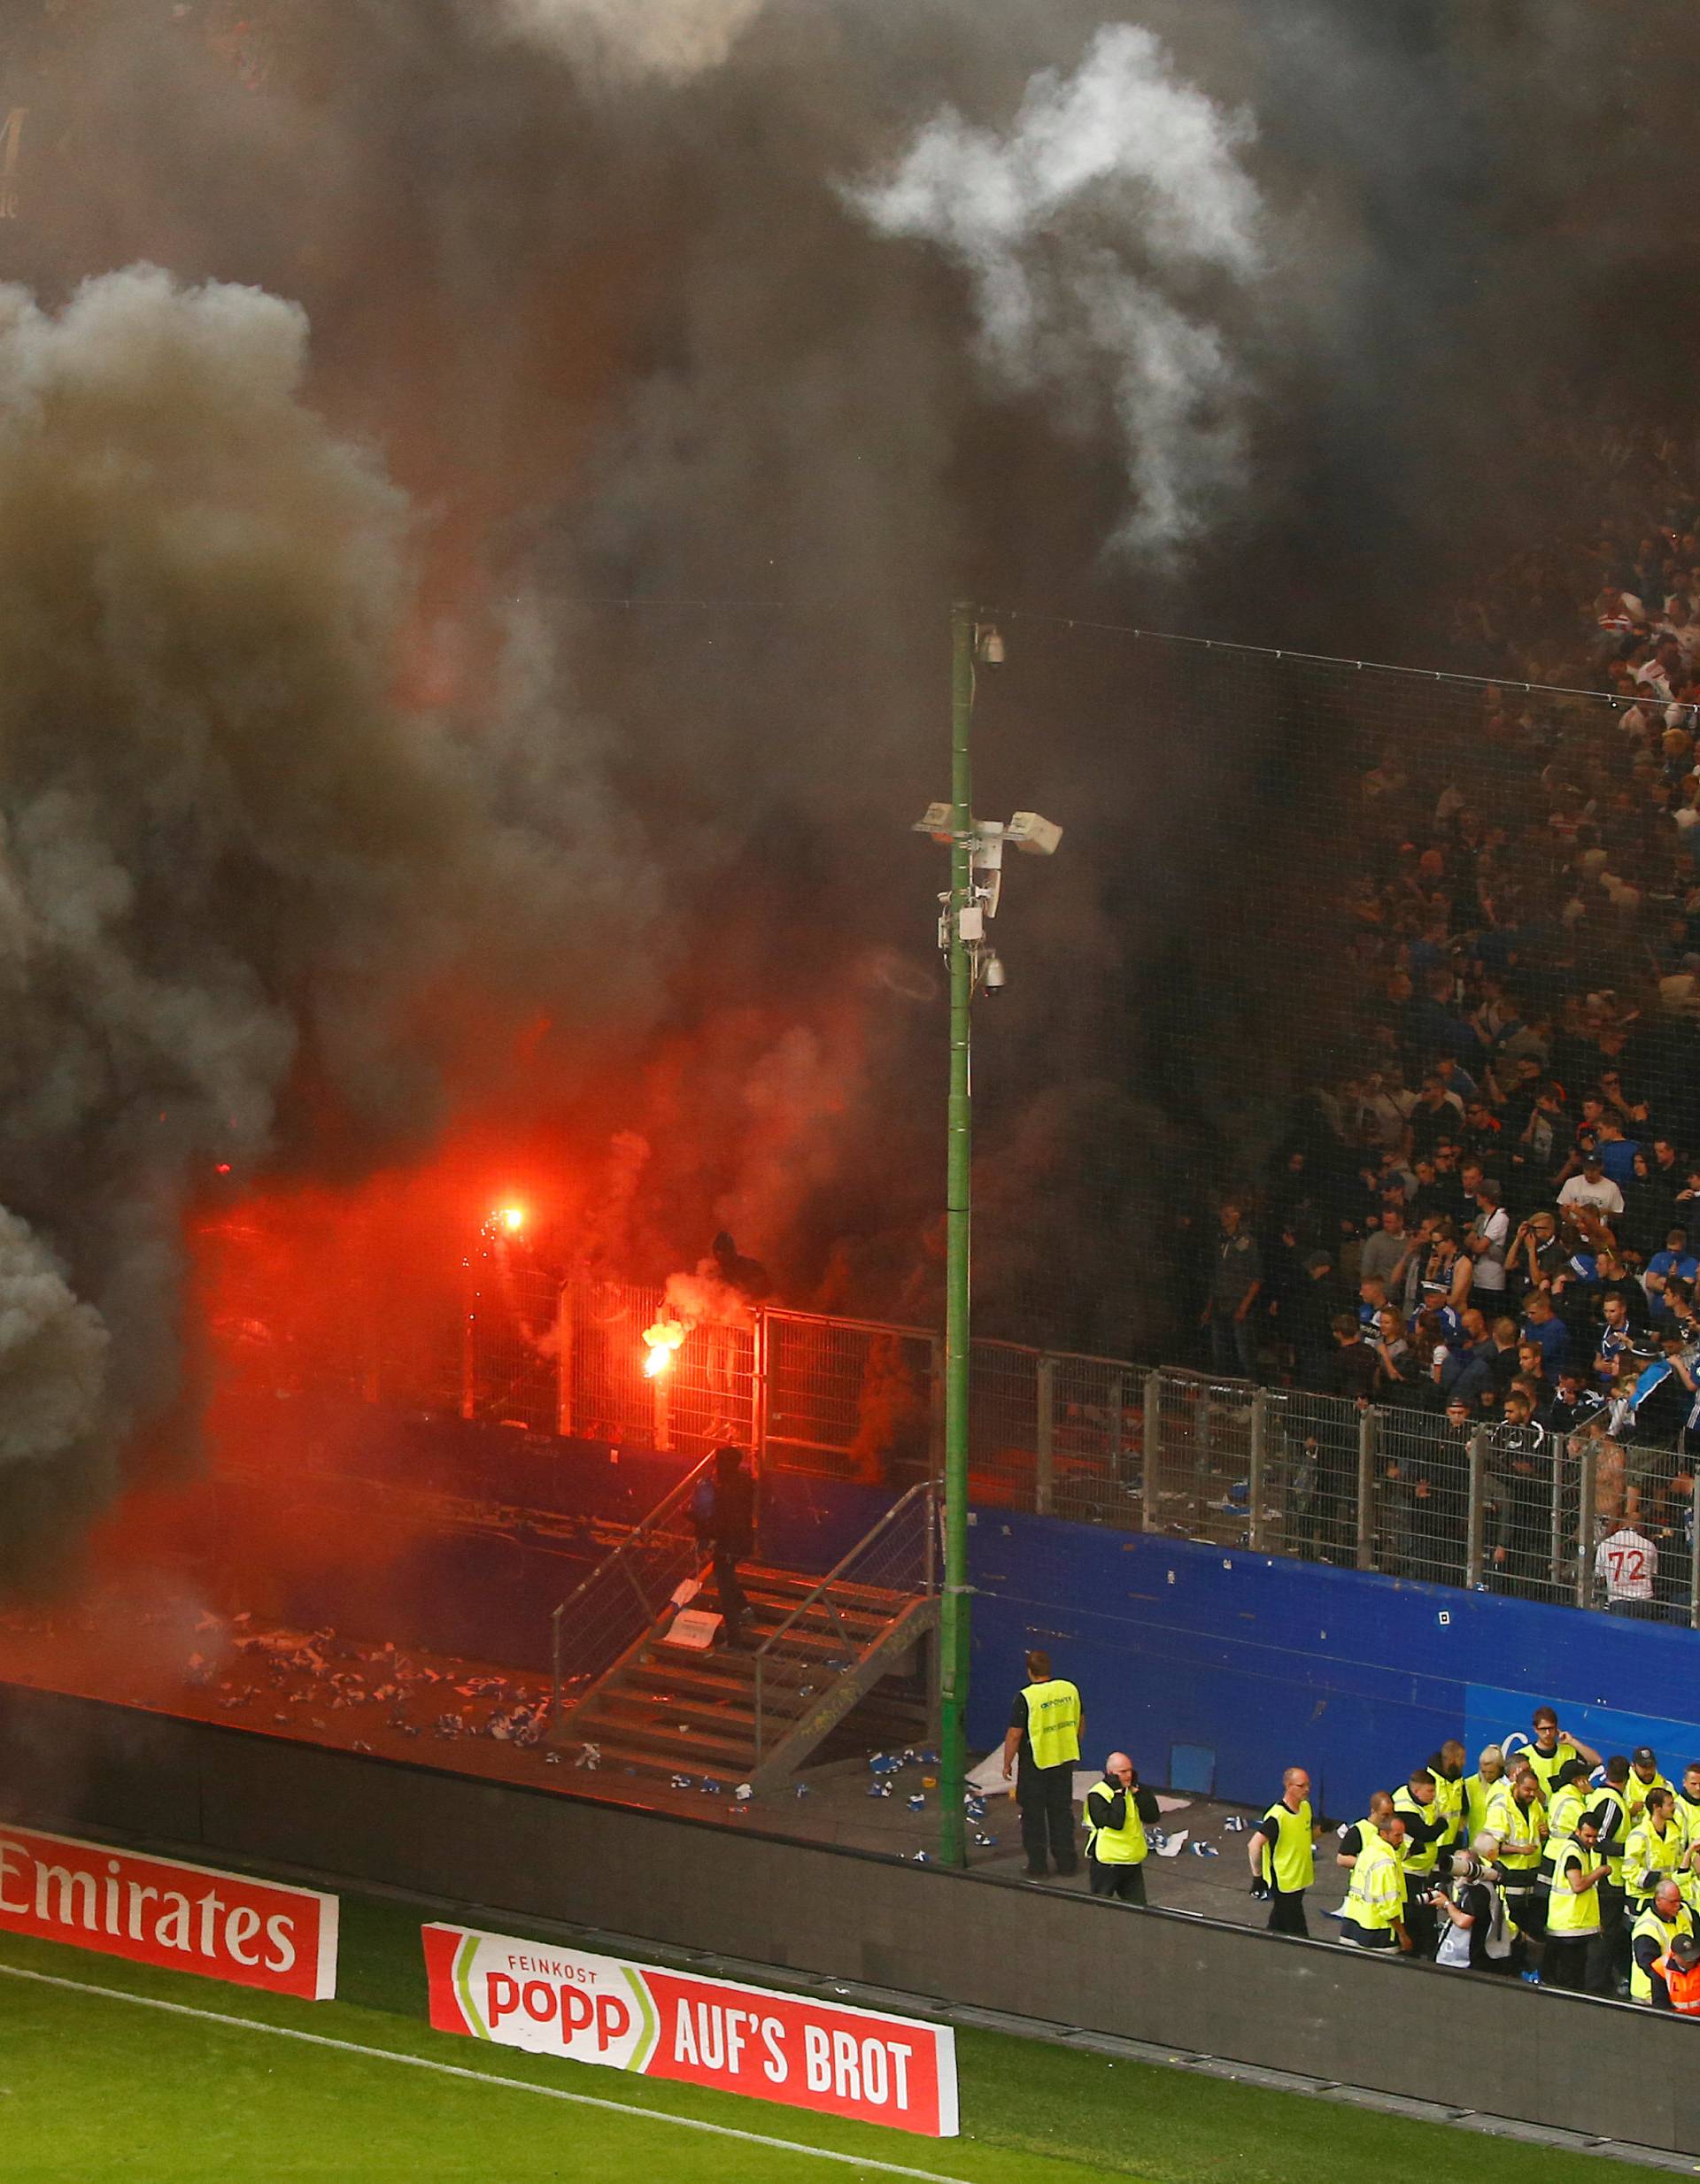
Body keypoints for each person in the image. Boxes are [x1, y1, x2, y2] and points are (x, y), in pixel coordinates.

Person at [1001, 1649, 1083, 1879]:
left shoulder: (1026, 1697)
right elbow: (1080, 1721)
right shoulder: (1069, 1689)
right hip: (1063, 1760)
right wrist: (1072, 1744)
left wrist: (1007, 1763)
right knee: (1062, 1813)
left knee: (1034, 1817)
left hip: (1035, 1765)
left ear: (1029, 1671)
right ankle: (1067, 1864)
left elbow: (1015, 1735)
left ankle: (1038, 1867)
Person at [1248, 1766, 1325, 1937]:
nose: (1307, 1789)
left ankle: (1266, 1945)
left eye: (1308, 1785)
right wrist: (1257, 1876)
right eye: (1301, 1785)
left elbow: (1304, 1838)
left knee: (1279, 1922)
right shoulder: (1277, 1817)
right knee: (1297, 1928)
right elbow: (1254, 1845)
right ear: (1288, 1786)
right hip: (1283, 1880)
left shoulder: (1305, 1808)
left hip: (1301, 1876)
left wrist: (1322, 1830)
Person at [693, 1444, 755, 1647]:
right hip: (740, 1540)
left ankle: (734, 1637)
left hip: (728, 1542)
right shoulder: (743, 1484)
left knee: (725, 1587)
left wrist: (695, 1521)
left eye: (716, 1463)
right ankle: (745, 1609)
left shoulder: (724, 1489)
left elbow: (719, 1521)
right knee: (725, 1576)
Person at [1540, 1814, 1608, 1990]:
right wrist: (1599, 1872)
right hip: (1568, 1928)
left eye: (1595, 1836)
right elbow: (1577, 1885)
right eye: (1588, 1836)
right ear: (1577, 1831)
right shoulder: (1573, 1853)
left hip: (1573, 1926)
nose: (1592, 1840)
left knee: (1572, 1977)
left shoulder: (1582, 1850)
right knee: (1569, 1979)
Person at [1083, 1752, 1158, 1903]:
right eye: (1123, 1772)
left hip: (1132, 1861)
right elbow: (1116, 1822)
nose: (1129, 1775)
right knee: (1101, 1909)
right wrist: (1118, 1795)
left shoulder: (1134, 1791)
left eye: (1131, 1770)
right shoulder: (1097, 1794)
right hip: (1108, 1863)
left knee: (1139, 1910)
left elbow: (1153, 1817)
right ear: (1110, 1774)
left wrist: (1141, 1794)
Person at [1485, 1765, 1548, 1935]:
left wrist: (1543, 1835)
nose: (1532, 1794)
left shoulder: (1535, 1805)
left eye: (1535, 1790)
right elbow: (1490, 1847)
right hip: (1509, 1877)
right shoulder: (1501, 1807)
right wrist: (1520, 1850)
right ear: (1516, 1785)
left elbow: (1538, 1836)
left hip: (1531, 1875)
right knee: (1510, 1926)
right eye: (1527, 1790)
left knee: (1531, 1926)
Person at [1392, 1769, 1448, 1956]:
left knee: (1426, 1911)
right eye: (1430, 1792)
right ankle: (1412, 1950)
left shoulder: (1423, 1802)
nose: (1434, 1796)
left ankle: (1425, 1947)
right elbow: (1426, 1834)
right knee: (1413, 1913)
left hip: (1423, 1868)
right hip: (1410, 1870)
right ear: (1416, 1791)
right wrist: (1442, 1823)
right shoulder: (1405, 1809)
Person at [1339, 1810, 1410, 1954]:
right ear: (1384, 1834)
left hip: (1353, 1926)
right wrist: (1402, 1934)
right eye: (1397, 1835)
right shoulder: (1385, 1862)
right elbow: (1388, 1908)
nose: (1401, 1840)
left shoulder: (1367, 1852)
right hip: (1378, 1934)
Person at [1433, 1849, 1499, 1970]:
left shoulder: (1480, 1889)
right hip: (1468, 1955)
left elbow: (1463, 1921)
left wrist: (1447, 1904)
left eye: (1458, 1864)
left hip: (1475, 1957)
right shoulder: (1470, 1886)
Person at [1631, 1879, 1694, 2006]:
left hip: (1680, 1991)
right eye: (1673, 1902)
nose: (1678, 1905)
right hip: (1651, 1996)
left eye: (1679, 1899)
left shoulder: (1684, 1911)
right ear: (1658, 1900)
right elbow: (1651, 1969)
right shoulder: (1646, 1928)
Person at [1626, 1786, 1685, 1916]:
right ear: (1656, 1807)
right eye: (1669, 1804)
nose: (1673, 1808)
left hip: (1667, 1898)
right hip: (1642, 1898)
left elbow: (1677, 1864)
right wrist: (1652, 1879)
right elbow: (1629, 1870)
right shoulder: (1639, 1835)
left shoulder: (1674, 1832)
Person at [1522, 1707, 1602, 1801]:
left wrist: (1572, 1741)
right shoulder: (1523, 1755)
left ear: (1557, 1728)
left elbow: (1597, 1760)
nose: (1547, 1733)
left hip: (1567, 1810)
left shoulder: (1569, 1751)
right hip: (1537, 1812)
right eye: (1543, 1729)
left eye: (1551, 1728)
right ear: (1535, 1729)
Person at [1464, 1745, 1506, 1846]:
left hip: (1501, 1845)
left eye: (1491, 1772)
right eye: (1483, 1772)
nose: (1487, 1776)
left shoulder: (1507, 1785)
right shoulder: (1469, 1784)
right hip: (1476, 1844)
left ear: (1500, 1768)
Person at [1651, 1930, 1700, 2015]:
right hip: (1677, 2020)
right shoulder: (1661, 1968)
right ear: (1674, 1955)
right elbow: (1661, 2004)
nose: (1691, 1961)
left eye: (1693, 1956)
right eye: (1686, 1958)